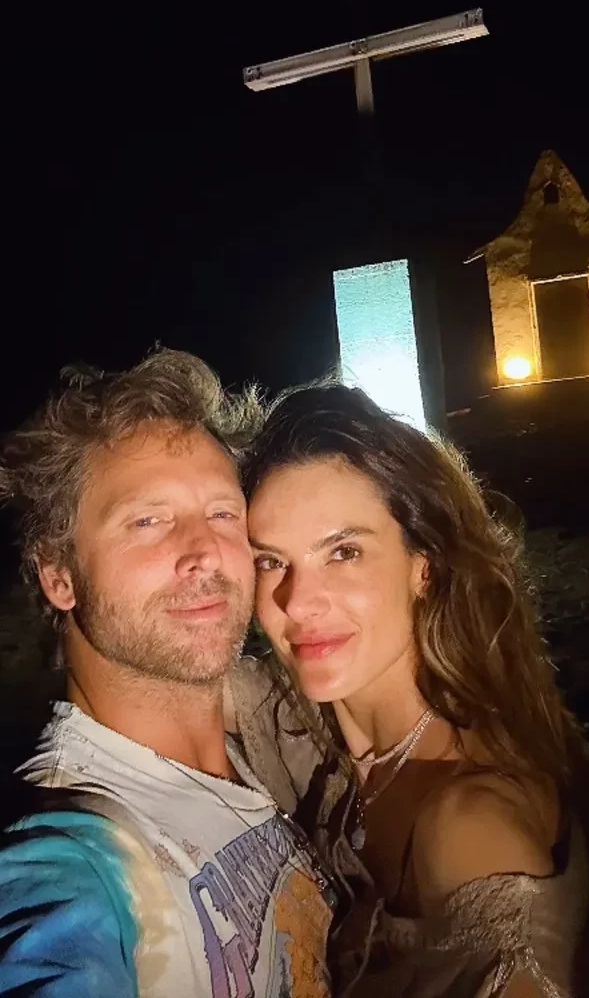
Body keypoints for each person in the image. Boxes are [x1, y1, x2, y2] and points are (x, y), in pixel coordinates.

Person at [227, 382, 589, 997]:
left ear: (423, 565)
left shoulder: (470, 823)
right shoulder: (302, 716)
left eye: (343, 552)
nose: (297, 602)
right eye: (271, 561)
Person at [0, 351, 336, 998]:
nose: (204, 551)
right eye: (147, 521)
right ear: (60, 576)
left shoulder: (276, 754)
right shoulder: (82, 858)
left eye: (222, 513)